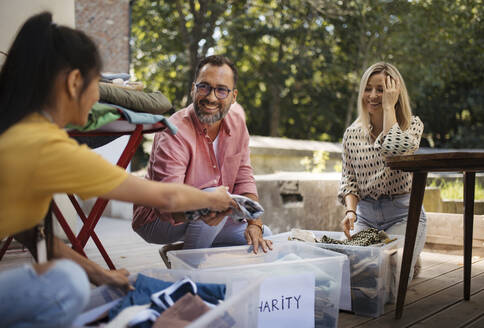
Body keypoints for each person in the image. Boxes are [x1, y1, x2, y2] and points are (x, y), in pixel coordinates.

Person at [0, 13, 234, 328]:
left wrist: (102, 275)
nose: (97, 96)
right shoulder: (46, 147)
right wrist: (214, 199)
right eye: (97, 84)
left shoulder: (20, 131)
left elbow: (32, 234)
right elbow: (164, 198)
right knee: (67, 283)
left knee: (104, 290)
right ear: (73, 83)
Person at [133, 55, 273, 254]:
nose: (211, 97)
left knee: (263, 237)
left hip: (209, 215)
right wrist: (212, 204)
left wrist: (255, 224)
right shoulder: (174, 131)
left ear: (233, 96)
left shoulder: (238, 125)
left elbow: (244, 178)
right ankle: (188, 272)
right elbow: (167, 203)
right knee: (210, 197)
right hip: (157, 220)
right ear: (193, 89)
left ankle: (179, 252)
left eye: (221, 90)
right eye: (204, 87)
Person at [338, 62, 427, 279]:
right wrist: (351, 212)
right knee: (345, 268)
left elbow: (393, 151)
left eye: (381, 89)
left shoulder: (412, 126)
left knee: (384, 271)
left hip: (403, 214)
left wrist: (389, 108)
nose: (373, 95)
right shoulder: (352, 133)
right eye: (368, 88)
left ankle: (404, 257)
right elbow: (349, 180)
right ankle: (404, 256)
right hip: (365, 217)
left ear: (395, 93)